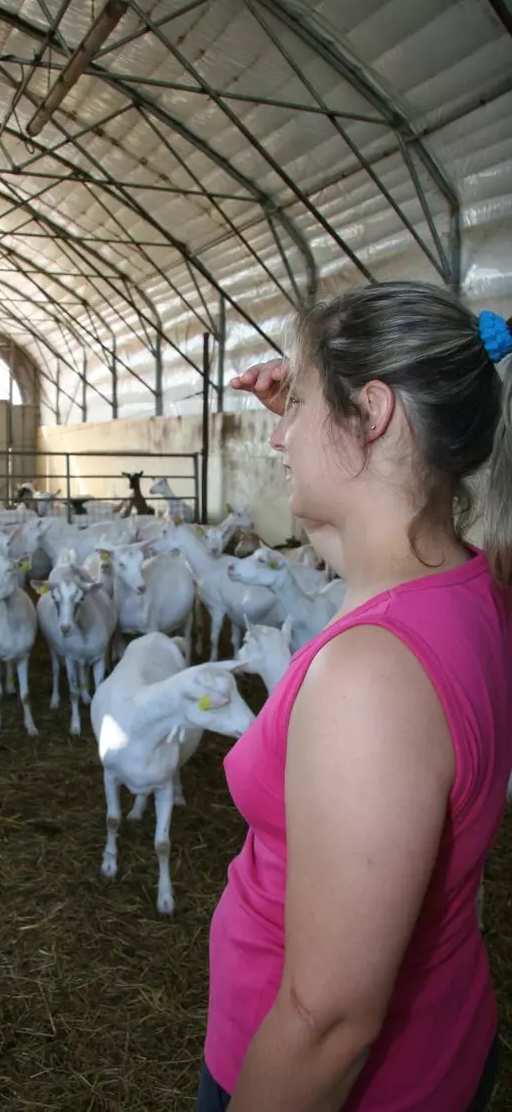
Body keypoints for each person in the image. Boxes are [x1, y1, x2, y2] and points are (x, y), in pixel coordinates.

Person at [196, 282, 512, 1112]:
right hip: (449, 1043)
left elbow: (327, 1017)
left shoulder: (370, 677)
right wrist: (311, 426)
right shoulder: (464, 585)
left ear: (370, 414)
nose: (277, 431)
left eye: (294, 405)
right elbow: (362, 547)